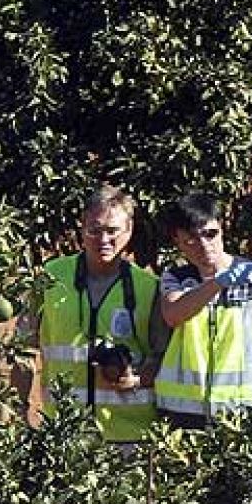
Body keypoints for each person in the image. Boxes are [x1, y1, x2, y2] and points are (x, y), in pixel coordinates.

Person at [34, 185, 167, 443]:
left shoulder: (148, 287)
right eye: (94, 230)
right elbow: (24, 349)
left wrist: (136, 379)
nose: (103, 240)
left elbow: (162, 357)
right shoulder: (51, 277)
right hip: (64, 432)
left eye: (112, 231)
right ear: (82, 229)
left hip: (130, 436)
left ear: (128, 230)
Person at [155, 192, 252, 426]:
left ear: (222, 230)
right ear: (177, 240)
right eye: (191, 238)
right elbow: (173, 314)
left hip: (248, 410)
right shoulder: (176, 278)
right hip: (183, 411)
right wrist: (218, 283)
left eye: (211, 234)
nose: (204, 245)